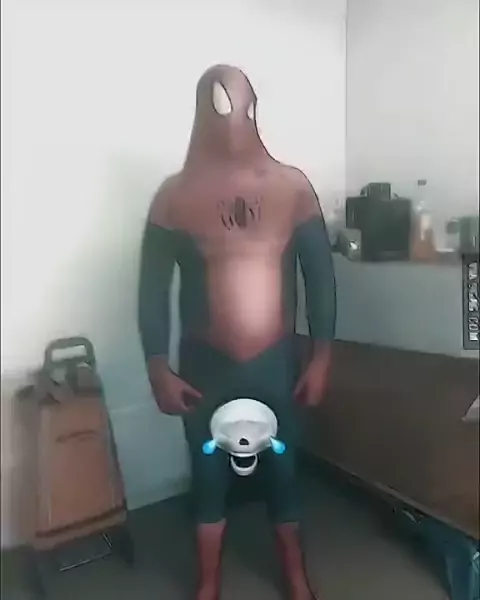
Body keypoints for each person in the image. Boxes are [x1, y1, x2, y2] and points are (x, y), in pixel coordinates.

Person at [138, 64, 336, 600]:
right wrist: (157, 367)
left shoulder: (293, 187)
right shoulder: (173, 197)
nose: (229, 119)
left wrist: (321, 358)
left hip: (276, 362)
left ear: (254, 109)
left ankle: (295, 576)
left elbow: (320, 277)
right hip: (205, 366)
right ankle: (208, 584)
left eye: (237, 105)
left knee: (283, 469)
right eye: (217, 105)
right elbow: (151, 289)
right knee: (208, 476)